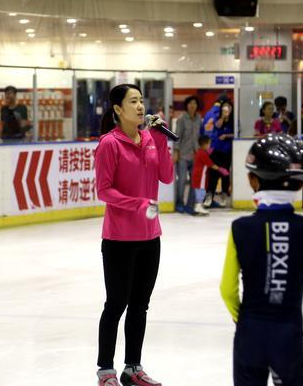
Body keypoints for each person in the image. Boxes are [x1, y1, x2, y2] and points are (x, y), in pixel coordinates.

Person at [220, 133, 303, 386]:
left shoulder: (240, 228)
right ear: (300, 184)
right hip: (288, 333)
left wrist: (241, 316)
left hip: (250, 332)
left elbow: (227, 289)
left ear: (253, 180)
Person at [94, 84, 174, 386]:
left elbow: (166, 175)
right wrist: (139, 204)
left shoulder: (152, 139)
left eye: (142, 101)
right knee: (116, 303)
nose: (140, 106)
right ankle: (105, 370)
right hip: (118, 239)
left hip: (150, 236)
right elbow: (104, 190)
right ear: (118, 109)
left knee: (140, 304)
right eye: (133, 101)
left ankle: (133, 367)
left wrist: (162, 140)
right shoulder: (109, 144)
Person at [173, 95, 202, 214]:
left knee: (194, 181)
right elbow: (177, 136)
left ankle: (190, 204)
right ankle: (179, 203)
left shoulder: (199, 118)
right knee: (182, 180)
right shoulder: (181, 119)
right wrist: (176, 152)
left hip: (195, 155)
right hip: (183, 155)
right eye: (190, 103)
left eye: (194, 103)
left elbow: (200, 136)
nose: (192, 105)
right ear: (186, 105)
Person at [204, 102, 234, 208]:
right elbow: (217, 126)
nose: (226, 110)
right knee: (213, 173)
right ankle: (209, 195)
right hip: (216, 149)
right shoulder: (217, 118)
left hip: (227, 151)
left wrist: (227, 135)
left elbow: (236, 132)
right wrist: (223, 116)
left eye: (228, 109)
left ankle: (224, 195)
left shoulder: (233, 120)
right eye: (224, 109)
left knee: (225, 173)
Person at [191, 134, 229, 216]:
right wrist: (221, 169)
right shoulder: (202, 154)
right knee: (201, 191)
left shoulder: (200, 152)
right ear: (204, 144)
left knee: (201, 191)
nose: (209, 146)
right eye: (208, 144)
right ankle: (198, 206)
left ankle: (199, 206)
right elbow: (211, 164)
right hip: (200, 176)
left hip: (199, 175)